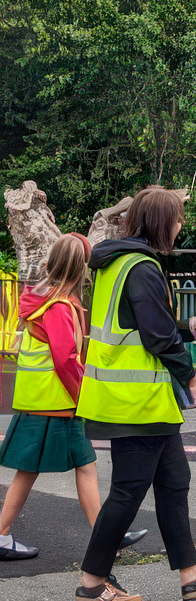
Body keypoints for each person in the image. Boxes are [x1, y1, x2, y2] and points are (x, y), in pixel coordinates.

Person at [76, 186, 196, 601]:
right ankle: (92, 582)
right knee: (129, 490)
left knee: (173, 482)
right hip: (139, 402)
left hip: (129, 399)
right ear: (160, 223)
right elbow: (155, 337)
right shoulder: (143, 267)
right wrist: (188, 375)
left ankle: (192, 575)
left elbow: (146, 324)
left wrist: (186, 325)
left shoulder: (116, 263)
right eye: (177, 218)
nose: (180, 225)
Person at [0, 235, 148, 565]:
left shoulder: (41, 298)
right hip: (56, 402)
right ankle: (4, 533)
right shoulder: (60, 307)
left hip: (41, 400)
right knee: (46, 469)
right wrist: (84, 397)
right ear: (82, 269)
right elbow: (66, 359)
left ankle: (106, 536)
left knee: (81, 464)